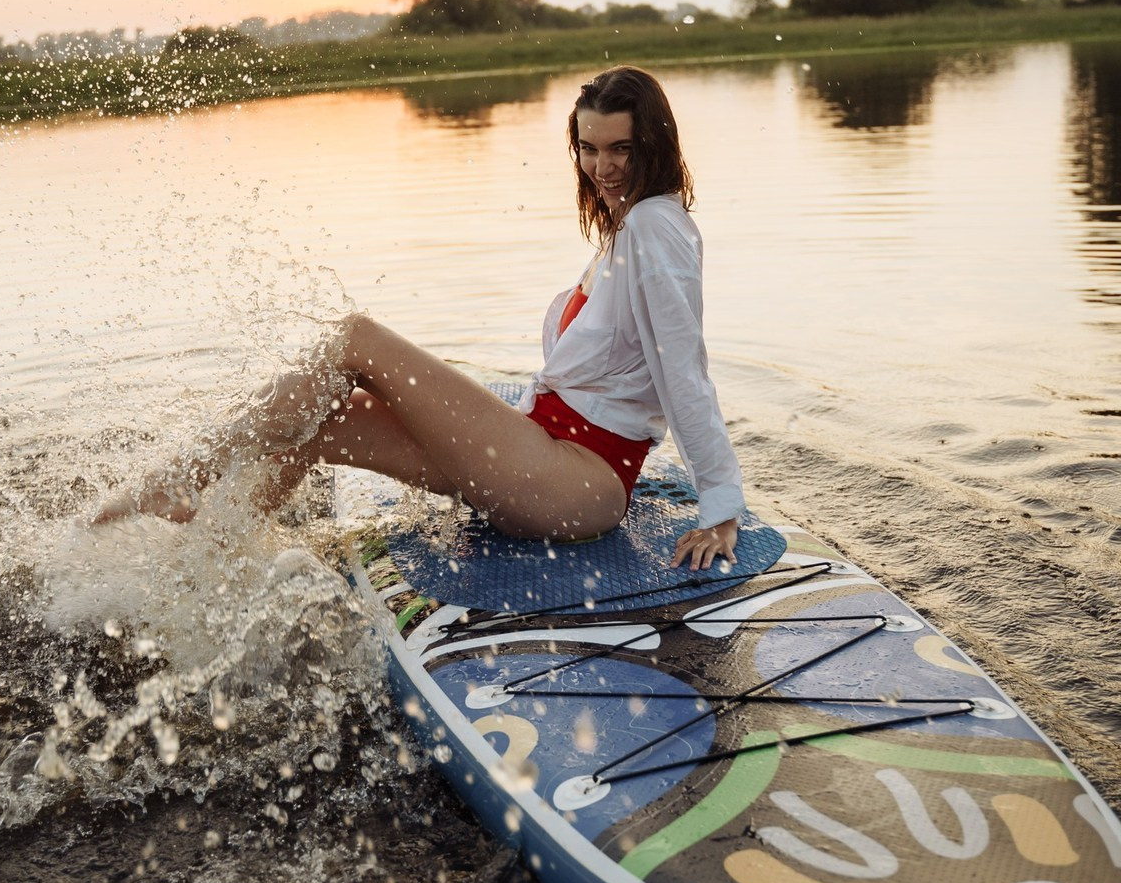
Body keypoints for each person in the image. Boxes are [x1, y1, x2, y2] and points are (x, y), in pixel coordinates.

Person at [94, 66, 743, 570]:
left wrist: (720, 509)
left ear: (653, 142)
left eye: (621, 148)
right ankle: (211, 561)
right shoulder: (629, 229)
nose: (603, 167)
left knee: (356, 339)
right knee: (327, 421)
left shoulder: (656, 228)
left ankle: (178, 476)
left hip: (577, 481)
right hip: (542, 456)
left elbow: (684, 370)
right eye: (589, 148)